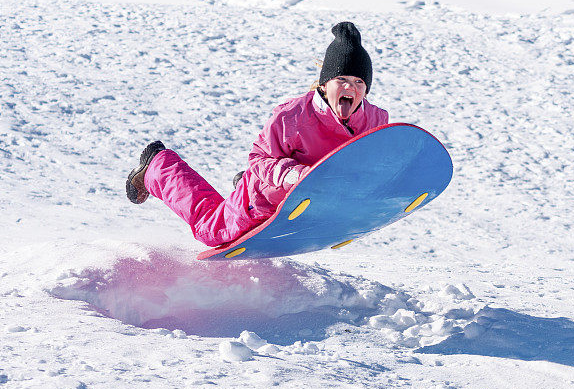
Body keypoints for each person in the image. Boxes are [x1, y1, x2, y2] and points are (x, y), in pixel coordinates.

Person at [125, 21, 389, 247]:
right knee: (213, 232)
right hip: (264, 198)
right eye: (342, 80)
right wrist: (295, 176)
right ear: (324, 83)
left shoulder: (376, 120)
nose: (350, 88)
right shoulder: (294, 116)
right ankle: (158, 166)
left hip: (309, 205)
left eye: (359, 82)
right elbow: (259, 158)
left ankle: (243, 184)